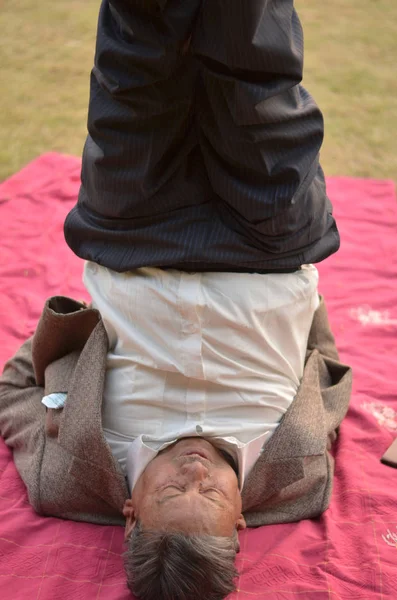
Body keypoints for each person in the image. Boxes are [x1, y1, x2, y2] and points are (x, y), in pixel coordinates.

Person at [0, 1, 352, 599]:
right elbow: (327, 376)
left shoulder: (66, 477)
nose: (195, 473)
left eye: (171, 492)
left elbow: (13, 390)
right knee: (256, 65)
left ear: (131, 510)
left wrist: (65, 338)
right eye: (210, 494)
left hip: (133, 236)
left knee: (136, 68)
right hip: (267, 245)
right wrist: (304, 300)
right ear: (241, 517)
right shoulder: (300, 479)